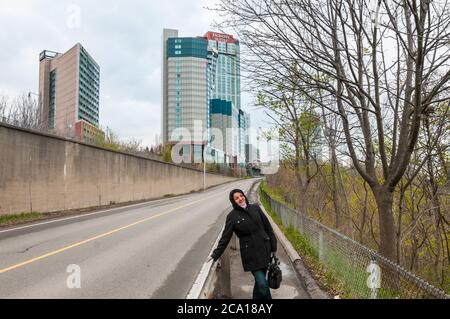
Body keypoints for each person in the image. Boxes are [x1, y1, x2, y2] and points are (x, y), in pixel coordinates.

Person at [207, 189, 277, 299]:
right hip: (251, 255)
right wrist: (215, 255)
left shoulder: (255, 208)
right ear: (233, 201)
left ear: (244, 196)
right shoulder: (232, 216)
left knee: (259, 284)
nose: (240, 199)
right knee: (263, 284)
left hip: (264, 249)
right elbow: (225, 238)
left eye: (241, 196)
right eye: (236, 198)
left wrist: (273, 246)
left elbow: (268, 227)